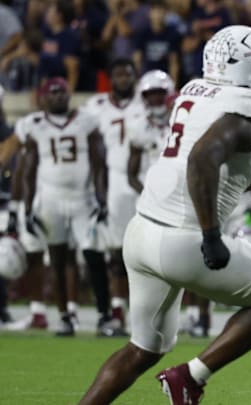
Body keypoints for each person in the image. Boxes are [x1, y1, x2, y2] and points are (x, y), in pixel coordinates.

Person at [78, 25, 251, 405]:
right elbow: (202, 159)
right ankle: (190, 376)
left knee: (143, 348)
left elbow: (236, 176)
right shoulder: (248, 105)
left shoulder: (193, 92)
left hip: (141, 233)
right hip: (183, 238)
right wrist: (211, 234)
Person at [19, 77, 111, 336]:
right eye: (53, 93)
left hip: (83, 200)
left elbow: (99, 163)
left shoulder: (86, 120)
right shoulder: (35, 125)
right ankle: (64, 317)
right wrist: (27, 208)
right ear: (43, 97)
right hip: (50, 200)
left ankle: (104, 316)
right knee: (57, 260)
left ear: (69, 95)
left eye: (62, 92)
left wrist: (102, 199)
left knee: (94, 257)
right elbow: (28, 170)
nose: (58, 97)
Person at [84, 57, 144, 333]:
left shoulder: (146, 102)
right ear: (111, 78)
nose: (123, 79)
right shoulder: (96, 107)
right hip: (116, 180)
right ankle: (118, 308)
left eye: (127, 74)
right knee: (118, 251)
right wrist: (98, 190)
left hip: (146, 178)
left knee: (146, 251)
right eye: (118, 75)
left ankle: (143, 311)